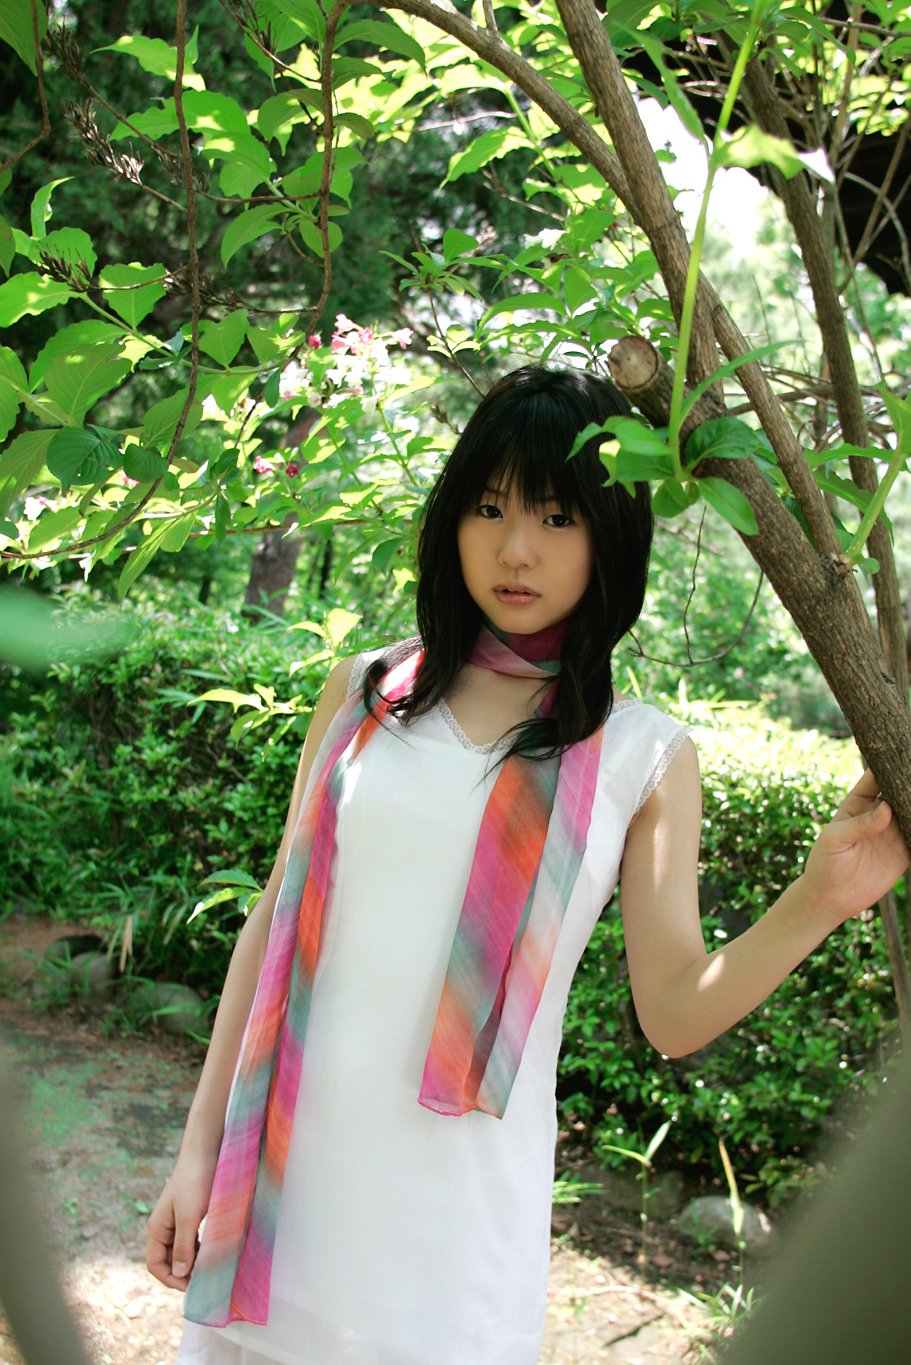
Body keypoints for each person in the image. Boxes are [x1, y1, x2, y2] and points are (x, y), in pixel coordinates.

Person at [147, 365, 909, 1365]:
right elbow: (272, 925)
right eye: (489, 508)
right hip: (282, 1198)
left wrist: (820, 898)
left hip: (452, 1241)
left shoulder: (638, 754)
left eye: (556, 516)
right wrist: (199, 1150)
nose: (515, 549)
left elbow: (673, 1011)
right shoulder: (363, 694)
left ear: (609, 532)